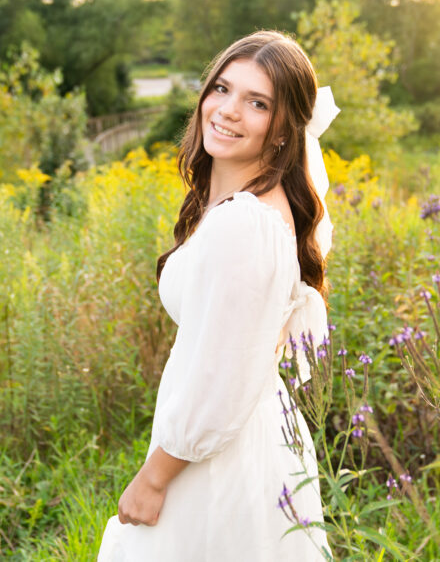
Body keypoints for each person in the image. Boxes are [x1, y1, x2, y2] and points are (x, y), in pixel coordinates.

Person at [97, 31, 338, 560]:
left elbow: (224, 374)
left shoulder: (245, 225)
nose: (228, 111)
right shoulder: (247, 207)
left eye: (257, 103)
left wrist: (154, 478)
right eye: (223, 88)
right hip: (237, 437)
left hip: (220, 457)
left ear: (282, 130)